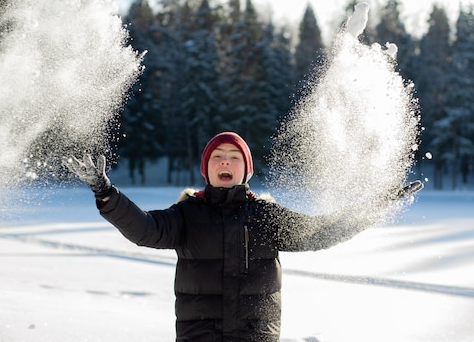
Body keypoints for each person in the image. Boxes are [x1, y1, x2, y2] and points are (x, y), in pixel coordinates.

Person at [65, 131, 422, 342]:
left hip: (257, 335)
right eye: (217, 157)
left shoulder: (266, 216)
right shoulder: (187, 214)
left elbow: (322, 232)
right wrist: (105, 191)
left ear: (246, 170)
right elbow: (145, 229)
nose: (225, 162)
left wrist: (375, 206)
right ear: (206, 169)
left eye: (234, 157)